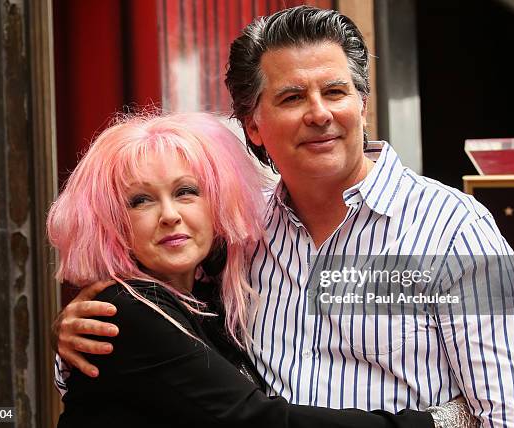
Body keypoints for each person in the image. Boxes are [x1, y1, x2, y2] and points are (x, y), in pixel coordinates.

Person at [53, 6, 514, 427]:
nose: (319, 114)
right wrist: (75, 341)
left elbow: (512, 415)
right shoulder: (240, 229)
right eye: (291, 97)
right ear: (254, 125)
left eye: (335, 92)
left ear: (363, 105)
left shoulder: (456, 230)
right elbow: (174, 345)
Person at [48, 111, 445, 426]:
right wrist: (433, 424)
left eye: (186, 192)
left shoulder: (208, 293)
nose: (169, 215)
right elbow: (257, 419)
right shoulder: (127, 309)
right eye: (141, 201)